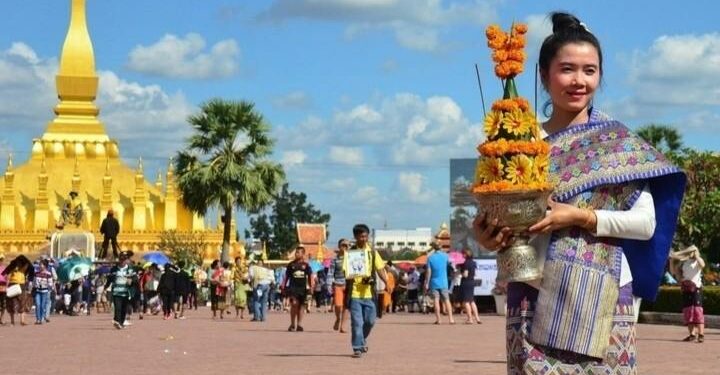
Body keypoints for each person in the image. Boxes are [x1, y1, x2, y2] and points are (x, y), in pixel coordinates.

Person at [473, 12, 686, 373]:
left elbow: (645, 224)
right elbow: (497, 217)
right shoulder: (518, 141)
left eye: (590, 70)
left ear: (600, 76)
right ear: (544, 75)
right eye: (567, 69)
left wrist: (580, 217)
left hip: (602, 300)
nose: (579, 81)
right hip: (533, 294)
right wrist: (486, 235)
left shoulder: (617, 145)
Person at [343, 224, 389, 358]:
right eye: (361, 236)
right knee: (357, 322)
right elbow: (346, 271)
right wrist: (356, 275)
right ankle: (357, 347)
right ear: (356, 237)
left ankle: (361, 340)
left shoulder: (373, 253)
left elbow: (380, 269)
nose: (363, 239)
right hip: (355, 294)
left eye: (365, 236)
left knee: (370, 321)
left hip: (369, 294)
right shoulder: (350, 254)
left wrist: (386, 282)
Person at [671, 245, 706, 343]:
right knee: (688, 311)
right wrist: (672, 261)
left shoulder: (698, 262)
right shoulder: (684, 263)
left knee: (697, 311)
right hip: (686, 288)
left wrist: (696, 255)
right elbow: (674, 272)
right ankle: (692, 335)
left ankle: (701, 334)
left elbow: (703, 265)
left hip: (696, 288)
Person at [282, 246, 313, 332]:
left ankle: (299, 324)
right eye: (296, 252)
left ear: (303, 254)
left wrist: (311, 287)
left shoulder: (306, 266)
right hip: (293, 288)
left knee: (302, 306)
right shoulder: (291, 265)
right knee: (294, 304)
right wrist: (283, 286)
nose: (297, 254)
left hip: (303, 289)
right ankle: (292, 324)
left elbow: (310, 276)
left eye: (299, 252)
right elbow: (286, 276)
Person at [105, 251, 137, 329]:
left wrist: (131, 281)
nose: (122, 261)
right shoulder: (114, 269)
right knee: (117, 307)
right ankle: (117, 321)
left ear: (127, 260)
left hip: (126, 292)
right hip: (116, 291)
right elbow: (109, 279)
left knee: (123, 308)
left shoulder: (130, 269)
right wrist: (106, 287)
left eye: (124, 260)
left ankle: (121, 322)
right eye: (121, 259)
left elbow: (136, 279)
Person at [425, 242, 455, 324]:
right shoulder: (445, 256)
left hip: (434, 282)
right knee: (446, 300)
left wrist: (427, 282)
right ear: (441, 247)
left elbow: (428, 271)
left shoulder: (430, 258)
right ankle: (451, 319)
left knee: (436, 300)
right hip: (444, 282)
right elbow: (451, 265)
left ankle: (439, 319)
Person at [2, 255, 34, 326]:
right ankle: (12, 322)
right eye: (17, 262)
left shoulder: (24, 267)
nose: (18, 263)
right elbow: (6, 274)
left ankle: (22, 321)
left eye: (20, 262)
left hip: (21, 285)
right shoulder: (12, 268)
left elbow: (30, 267)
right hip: (12, 285)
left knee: (23, 302)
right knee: (11, 303)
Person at [329, 239, 348, 332]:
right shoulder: (335, 259)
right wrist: (329, 284)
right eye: (342, 245)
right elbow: (331, 272)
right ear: (339, 246)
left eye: (346, 246)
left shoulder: (351, 258)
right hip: (338, 284)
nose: (344, 247)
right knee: (338, 305)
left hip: (348, 284)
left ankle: (343, 326)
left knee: (346, 306)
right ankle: (337, 318)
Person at [459, 249, 481, 324]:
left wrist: (460, 273)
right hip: (472, 281)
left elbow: (465, 274)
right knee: (472, 301)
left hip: (466, 282)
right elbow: (474, 273)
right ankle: (477, 318)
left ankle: (470, 319)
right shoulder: (473, 262)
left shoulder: (466, 263)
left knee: (466, 302)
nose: (462, 255)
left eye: (463, 254)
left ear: (465, 254)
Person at [33, 260, 53, 325]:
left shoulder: (48, 274)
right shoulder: (36, 273)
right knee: (37, 304)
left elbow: (50, 283)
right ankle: (38, 319)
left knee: (42, 306)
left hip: (45, 291)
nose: (40, 266)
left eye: (41, 264)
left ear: (45, 266)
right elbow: (33, 282)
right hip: (37, 291)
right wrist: (34, 286)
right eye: (39, 264)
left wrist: (46, 285)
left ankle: (41, 319)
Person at [0, 253, 6, 325]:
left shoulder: (5, 268)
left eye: (1, 259)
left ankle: (2, 319)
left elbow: (7, 278)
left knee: (3, 304)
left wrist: (7, 286)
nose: (0, 261)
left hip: (3, 287)